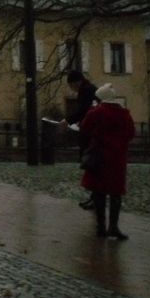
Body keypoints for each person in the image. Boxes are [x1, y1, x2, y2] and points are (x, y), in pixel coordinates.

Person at [79, 83, 135, 240]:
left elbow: (85, 128)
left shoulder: (96, 113)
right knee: (116, 192)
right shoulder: (124, 114)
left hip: (99, 157)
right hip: (118, 158)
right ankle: (114, 226)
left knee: (99, 192)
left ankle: (101, 226)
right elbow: (131, 133)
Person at [61, 69, 98, 209]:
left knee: (91, 165)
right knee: (91, 166)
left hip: (90, 134)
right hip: (90, 132)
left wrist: (69, 120)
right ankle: (94, 197)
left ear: (77, 82)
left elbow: (83, 111)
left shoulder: (86, 91)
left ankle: (96, 198)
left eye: (71, 85)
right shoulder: (90, 89)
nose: (72, 89)